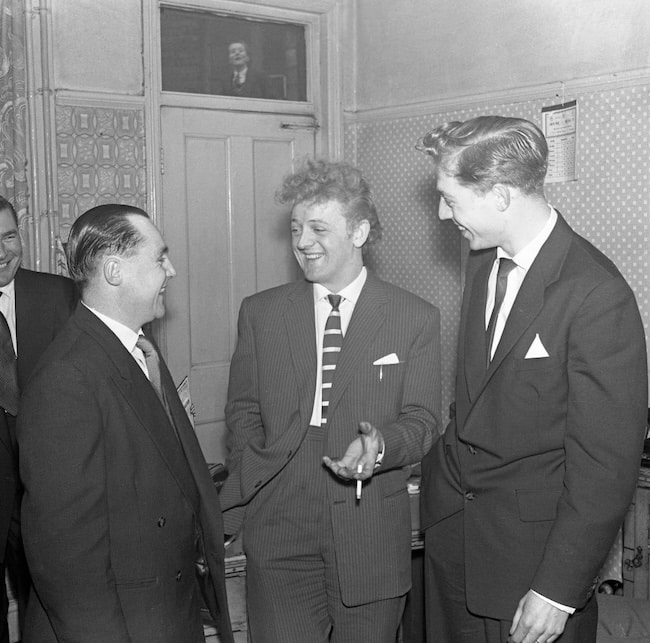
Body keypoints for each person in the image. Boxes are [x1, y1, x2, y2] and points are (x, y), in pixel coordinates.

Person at [417, 116, 648, 643]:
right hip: (455, 548)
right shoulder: (482, 264)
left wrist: (557, 590)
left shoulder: (595, 294)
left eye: (450, 199)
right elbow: (474, 406)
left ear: (499, 195)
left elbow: (605, 468)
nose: (441, 212)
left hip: (532, 573)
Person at [219, 158, 441, 643]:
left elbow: (424, 421)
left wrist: (382, 446)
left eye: (318, 228)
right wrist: (257, 474)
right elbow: (242, 411)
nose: (302, 242)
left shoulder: (413, 317)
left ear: (359, 231)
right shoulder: (261, 313)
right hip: (279, 521)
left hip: (369, 522)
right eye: (297, 228)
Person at [17, 204, 233, 643]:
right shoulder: (68, 378)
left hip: (163, 610)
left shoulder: (138, 350)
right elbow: (67, 559)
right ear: (114, 271)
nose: (170, 270)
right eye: (159, 258)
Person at [0, 196, 76, 643]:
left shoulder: (60, 295)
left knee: (46, 613)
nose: (2, 251)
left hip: (46, 490)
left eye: (9, 236)